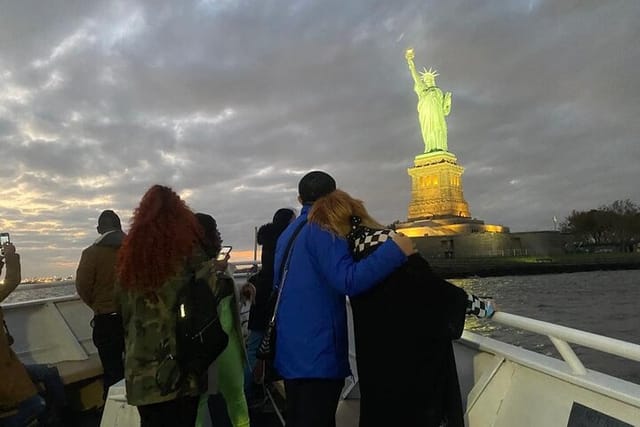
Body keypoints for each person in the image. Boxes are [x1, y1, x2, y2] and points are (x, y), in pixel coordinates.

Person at [308, 189, 497, 427]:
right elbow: (433, 289)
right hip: (412, 357)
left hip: (376, 359)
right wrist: (482, 307)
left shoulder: (348, 255)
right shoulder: (390, 242)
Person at [273, 171, 415, 427]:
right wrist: (395, 251)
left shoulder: (288, 233)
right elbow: (347, 280)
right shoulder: (323, 227)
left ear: (299, 198)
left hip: (291, 351)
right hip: (318, 354)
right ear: (335, 196)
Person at [117, 185, 216, 427]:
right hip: (180, 367)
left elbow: (121, 309)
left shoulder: (129, 260)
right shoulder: (188, 253)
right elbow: (208, 296)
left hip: (140, 369)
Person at [193, 213, 250, 427]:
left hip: (227, 340)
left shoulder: (219, 263)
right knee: (202, 398)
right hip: (204, 341)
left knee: (236, 394)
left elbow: (226, 296)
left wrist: (242, 290)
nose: (218, 234)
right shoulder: (189, 262)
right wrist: (211, 270)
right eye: (214, 229)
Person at [245, 208, 296, 400]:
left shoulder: (268, 240)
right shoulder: (285, 240)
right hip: (272, 299)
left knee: (254, 347)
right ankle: (260, 389)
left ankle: (249, 390)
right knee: (268, 346)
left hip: (261, 297)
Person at [75, 209, 126, 400]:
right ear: (120, 227)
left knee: (112, 372)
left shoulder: (91, 253)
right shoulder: (135, 250)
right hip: (135, 318)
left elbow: (83, 287)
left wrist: (99, 306)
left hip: (107, 320)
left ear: (99, 229)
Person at [0, 242, 46, 426]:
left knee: (48, 375)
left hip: (8, 365)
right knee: (37, 404)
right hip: (4, 371)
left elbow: (10, 281)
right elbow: (11, 281)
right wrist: (9, 257)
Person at [405, 48, 452, 153]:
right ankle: (430, 148)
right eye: (426, 80)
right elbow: (416, 78)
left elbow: (445, 111)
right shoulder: (423, 91)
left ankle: (440, 148)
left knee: (439, 128)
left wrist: (447, 101)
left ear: (433, 80)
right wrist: (411, 65)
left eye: (430, 79)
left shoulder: (438, 92)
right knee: (428, 131)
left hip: (437, 115)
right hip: (426, 115)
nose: (428, 81)